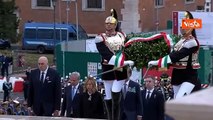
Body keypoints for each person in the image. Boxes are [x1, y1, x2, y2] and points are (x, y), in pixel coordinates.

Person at [148, 11, 201, 99]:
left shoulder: (192, 42)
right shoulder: (180, 41)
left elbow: (177, 55)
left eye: (184, 26)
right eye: (181, 26)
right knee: (176, 101)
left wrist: (158, 62)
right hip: (177, 75)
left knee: (180, 99)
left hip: (189, 75)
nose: (181, 28)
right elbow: (173, 54)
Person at [95, 9, 134, 120]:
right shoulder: (100, 38)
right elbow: (106, 54)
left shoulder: (122, 35)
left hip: (120, 69)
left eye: (111, 23)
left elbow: (127, 49)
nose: (108, 26)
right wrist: (124, 62)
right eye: (107, 23)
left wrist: (127, 62)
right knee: (108, 97)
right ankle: (110, 117)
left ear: (115, 24)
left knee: (115, 92)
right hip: (108, 67)